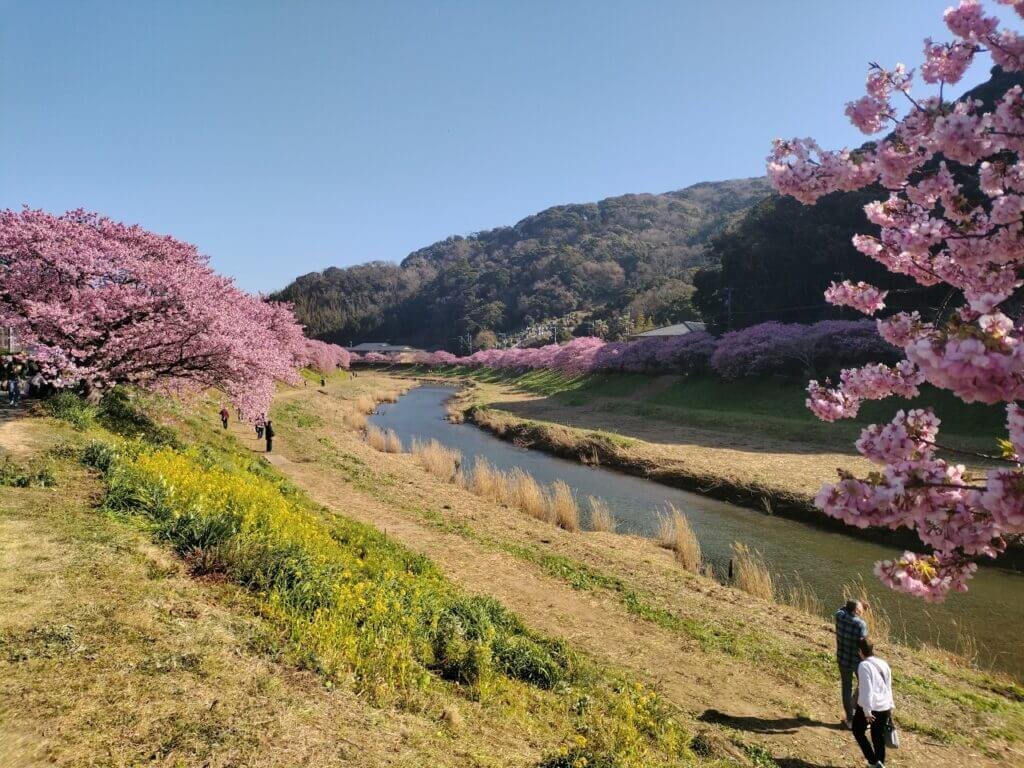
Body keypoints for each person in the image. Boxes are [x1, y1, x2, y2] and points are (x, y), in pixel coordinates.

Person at [852, 637, 894, 768]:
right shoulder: (883, 664)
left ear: (859, 651)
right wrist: (890, 706)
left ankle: (872, 761)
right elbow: (888, 687)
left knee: (857, 730)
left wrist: (867, 711)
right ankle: (880, 763)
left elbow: (866, 690)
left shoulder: (864, 666)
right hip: (884, 707)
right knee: (878, 737)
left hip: (870, 708)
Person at [835, 599, 868, 728]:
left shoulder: (839, 616)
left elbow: (843, 609)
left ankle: (849, 719)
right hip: (857, 661)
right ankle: (856, 707)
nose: (862, 612)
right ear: (855, 611)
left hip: (842, 659)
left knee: (846, 688)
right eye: (860, 610)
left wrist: (859, 606)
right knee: (864, 684)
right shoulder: (860, 624)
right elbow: (863, 644)